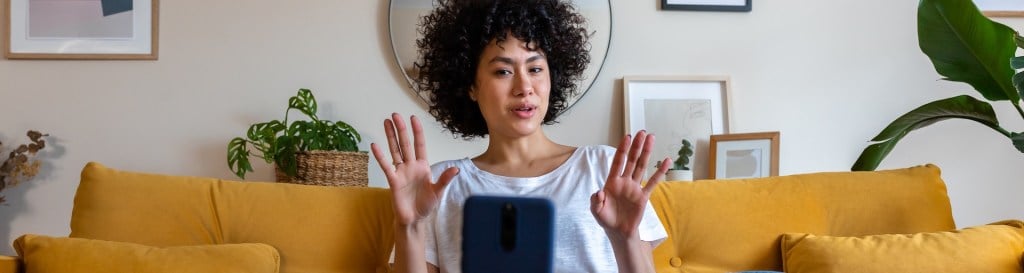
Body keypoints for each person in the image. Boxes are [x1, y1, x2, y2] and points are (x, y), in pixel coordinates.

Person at [369, 0, 671, 272]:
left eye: (536, 68)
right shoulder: (439, 185)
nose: (524, 86)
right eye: (503, 71)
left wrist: (625, 238)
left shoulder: (604, 168)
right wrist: (409, 224)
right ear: (470, 86)